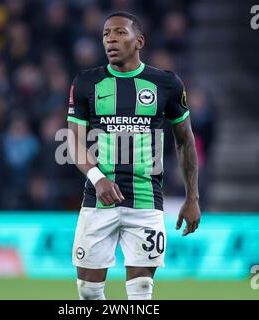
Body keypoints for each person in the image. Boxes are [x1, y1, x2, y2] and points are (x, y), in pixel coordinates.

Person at [67, 11, 201, 300]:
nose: (110, 39)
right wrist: (98, 178)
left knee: (141, 293)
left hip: (146, 201)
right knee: (89, 293)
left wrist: (192, 198)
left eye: (119, 32)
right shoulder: (86, 83)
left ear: (139, 41)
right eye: (105, 34)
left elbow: (185, 142)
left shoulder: (166, 83)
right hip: (97, 200)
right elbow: (73, 141)